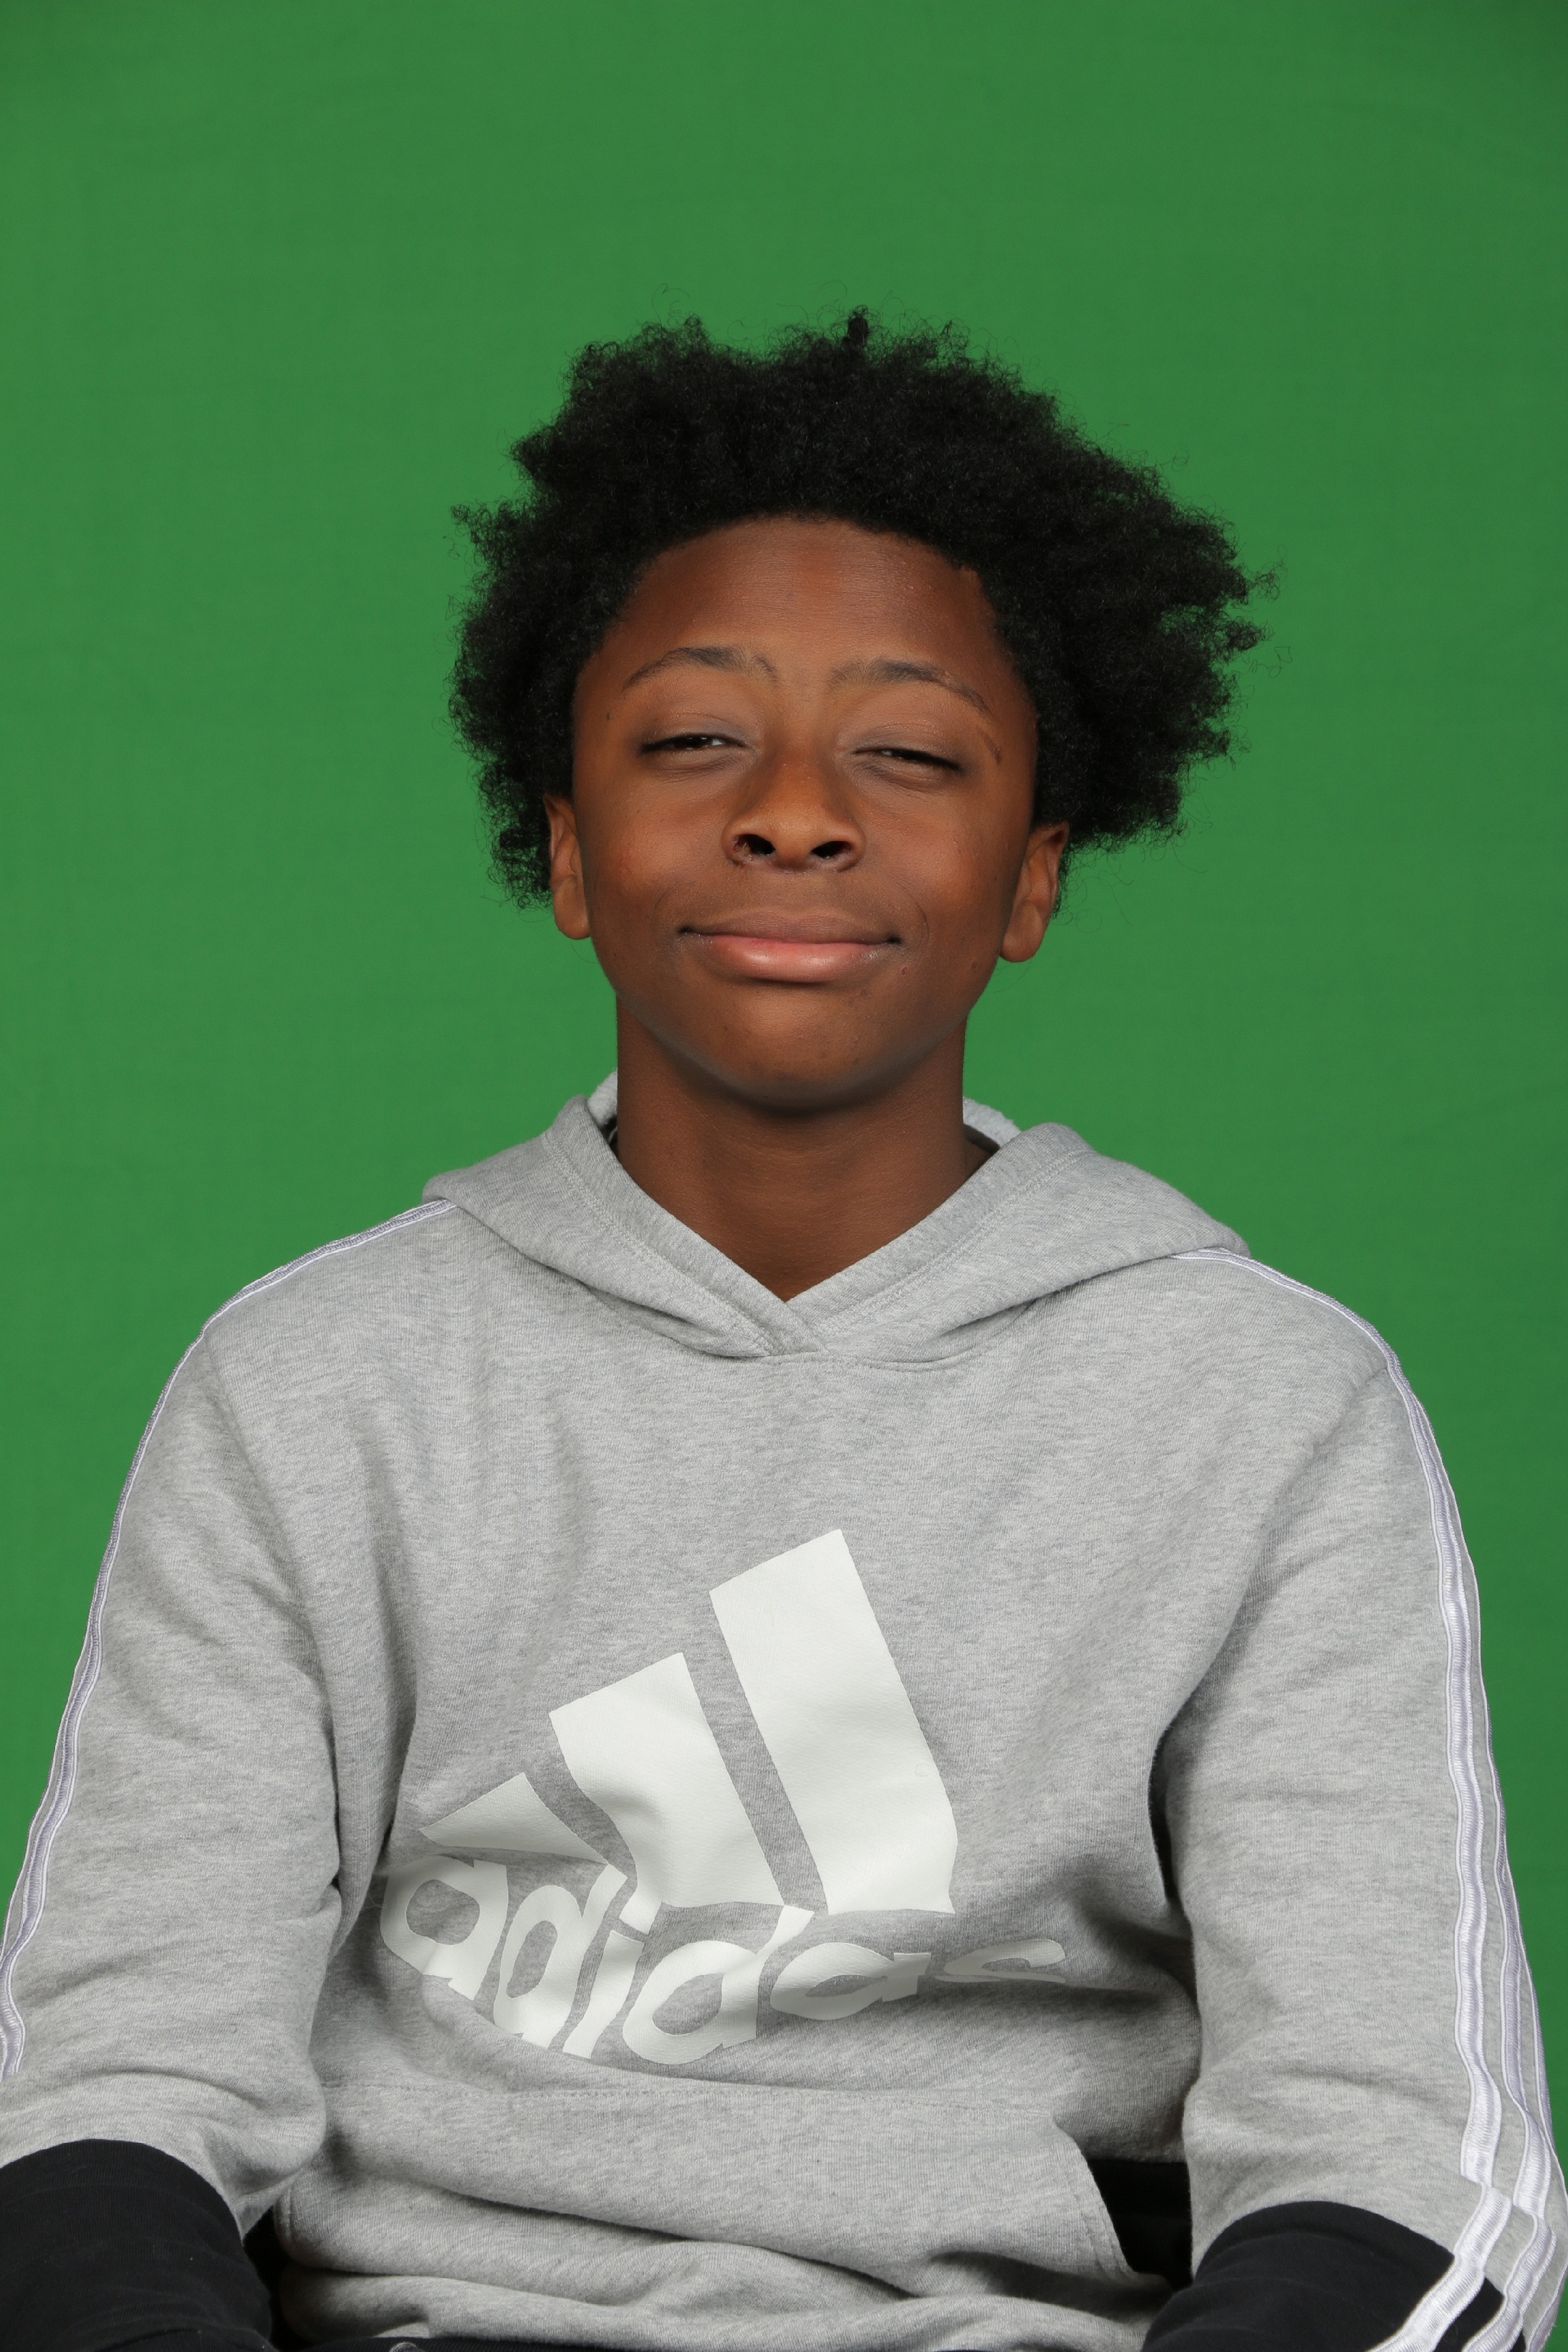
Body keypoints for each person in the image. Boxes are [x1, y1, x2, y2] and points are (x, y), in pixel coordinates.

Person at [0, 312, 1559, 2352]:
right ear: (568, 848)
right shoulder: (310, 1390)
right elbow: (101, 2092)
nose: (796, 813)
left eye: (909, 754)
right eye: (691, 742)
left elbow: (1403, 2156)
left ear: (1032, 878)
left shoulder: (1267, 1408)